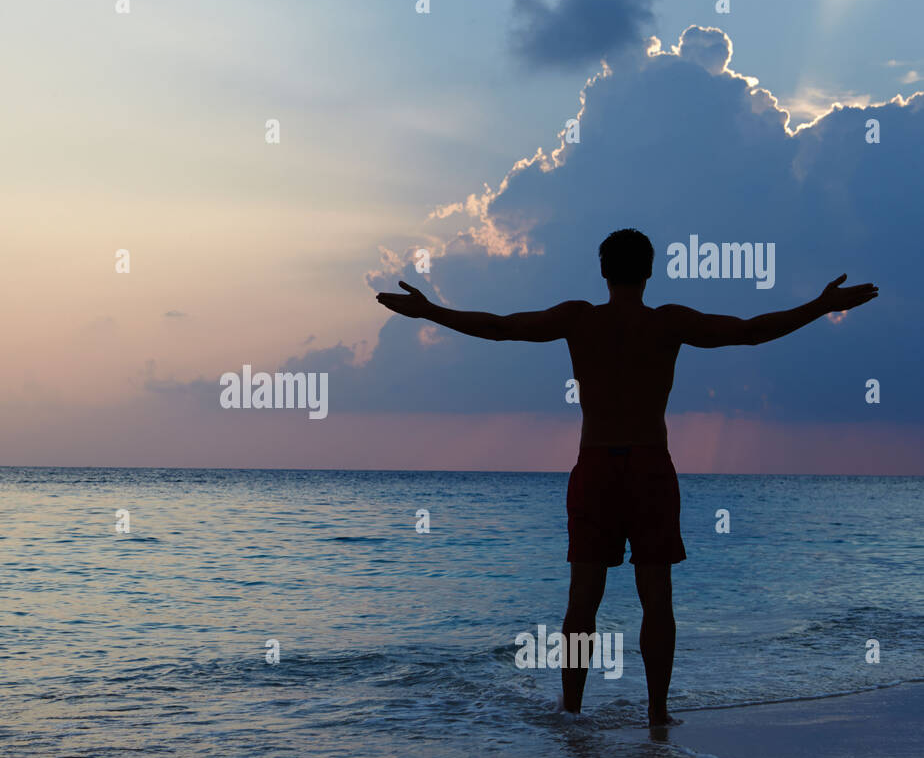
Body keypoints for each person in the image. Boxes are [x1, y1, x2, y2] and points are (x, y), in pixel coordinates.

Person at [376, 228, 878, 725]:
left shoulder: (579, 318)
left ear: (602, 270)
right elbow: (748, 330)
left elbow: (502, 326)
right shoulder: (668, 323)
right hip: (649, 467)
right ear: (650, 271)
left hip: (595, 465)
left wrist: (432, 311)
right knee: (656, 598)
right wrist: (819, 305)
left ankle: (571, 710)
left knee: (582, 600)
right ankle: (657, 713)